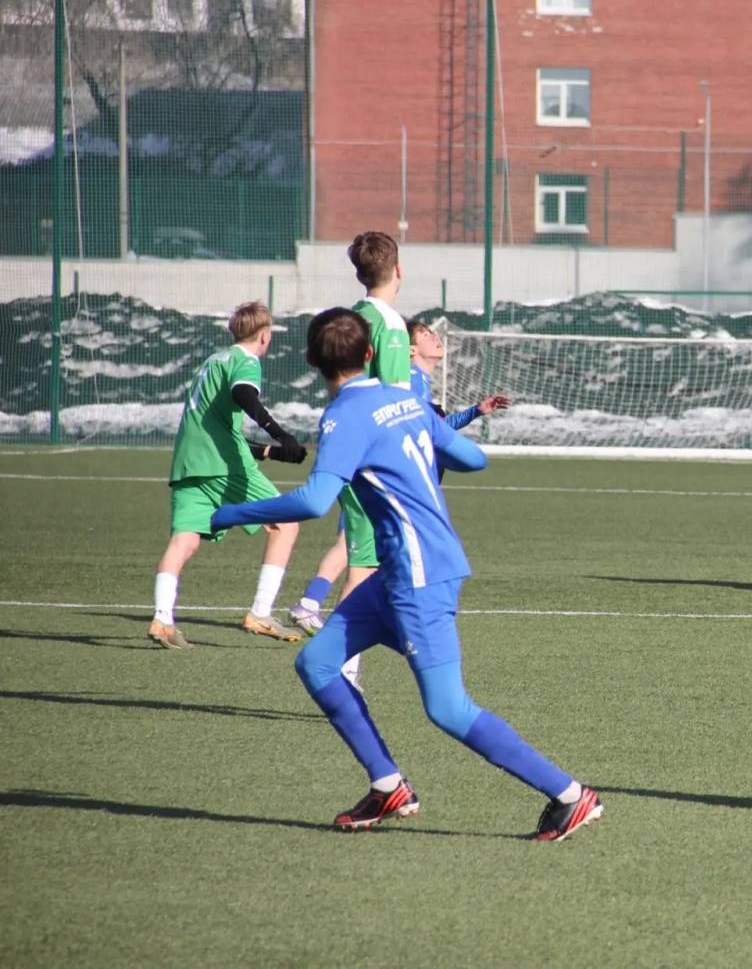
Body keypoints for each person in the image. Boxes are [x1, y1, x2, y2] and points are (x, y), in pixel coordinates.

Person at [211, 307, 602, 839]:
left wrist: (232, 513)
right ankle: (387, 784)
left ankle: (570, 796)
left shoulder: (343, 418)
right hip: (399, 572)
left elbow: (315, 501)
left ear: (310, 363)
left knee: (447, 708)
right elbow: (474, 460)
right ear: (370, 353)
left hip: (418, 576)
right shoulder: (404, 398)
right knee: (317, 663)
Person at [288, 231, 411, 674]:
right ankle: (342, 670)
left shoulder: (351, 318)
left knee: (365, 558)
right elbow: (395, 402)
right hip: (373, 459)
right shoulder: (390, 325)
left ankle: (346, 664)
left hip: (348, 447)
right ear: (398, 270)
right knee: (363, 566)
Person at [149, 301, 306, 648]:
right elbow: (243, 394)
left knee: (185, 540)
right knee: (285, 524)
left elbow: (216, 426)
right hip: (223, 464)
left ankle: (162, 619)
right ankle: (261, 613)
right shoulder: (246, 361)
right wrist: (280, 434)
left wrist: (269, 451)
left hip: (189, 462)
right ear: (264, 336)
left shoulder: (212, 362)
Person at [407, 319, 510, 434]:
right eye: (426, 335)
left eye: (432, 333)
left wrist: (475, 411)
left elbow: (436, 428)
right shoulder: (413, 380)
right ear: (412, 350)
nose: (435, 337)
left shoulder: (418, 378)